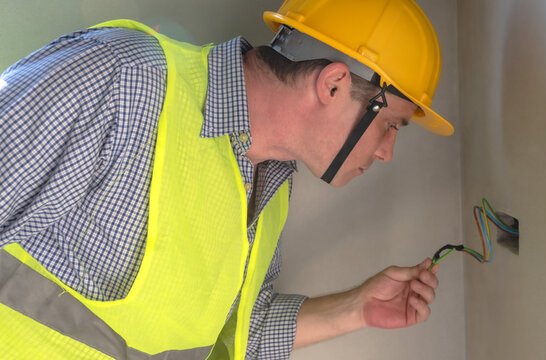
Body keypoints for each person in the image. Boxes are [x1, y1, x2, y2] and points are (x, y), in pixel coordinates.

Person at [0, 0, 454, 359]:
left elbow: (238, 335)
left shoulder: (274, 185)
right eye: (390, 125)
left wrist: (356, 308)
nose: (386, 151)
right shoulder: (125, 80)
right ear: (333, 84)